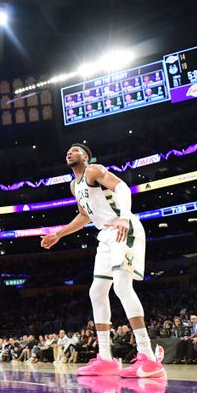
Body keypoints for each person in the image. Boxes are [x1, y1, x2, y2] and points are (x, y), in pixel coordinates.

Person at [41, 143, 164, 378]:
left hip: (122, 228)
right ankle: (106, 359)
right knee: (96, 292)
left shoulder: (93, 170)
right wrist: (58, 234)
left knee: (121, 286)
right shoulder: (73, 185)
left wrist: (125, 218)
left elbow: (122, 187)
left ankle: (148, 357)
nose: (69, 152)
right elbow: (84, 216)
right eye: (67, 150)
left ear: (85, 157)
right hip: (105, 235)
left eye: (75, 150)